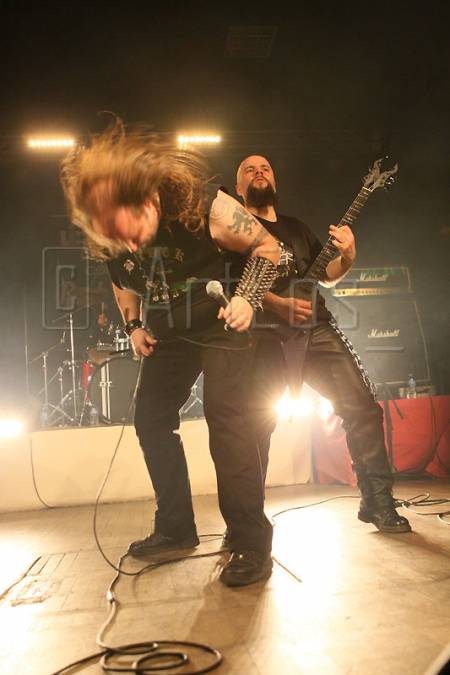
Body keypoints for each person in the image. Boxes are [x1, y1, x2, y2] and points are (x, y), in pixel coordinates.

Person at [60, 124, 281, 586]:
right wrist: (133, 326)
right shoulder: (112, 233)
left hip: (221, 322)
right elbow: (121, 280)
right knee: (150, 419)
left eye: (132, 232)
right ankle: (176, 528)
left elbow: (268, 247)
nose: (131, 246)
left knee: (227, 418)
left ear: (148, 201)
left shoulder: (204, 207)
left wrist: (247, 298)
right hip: (168, 333)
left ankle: (249, 540)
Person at [234, 154, 411, 534]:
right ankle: (247, 524)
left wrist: (348, 256)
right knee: (255, 426)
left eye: (266, 168)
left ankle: (377, 501)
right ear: (238, 188)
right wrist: (277, 304)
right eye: (249, 169)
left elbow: (325, 275)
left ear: (274, 182)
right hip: (264, 334)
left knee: (362, 407)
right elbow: (232, 286)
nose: (259, 172)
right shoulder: (233, 230)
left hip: (316, 329)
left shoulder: (296, 228)